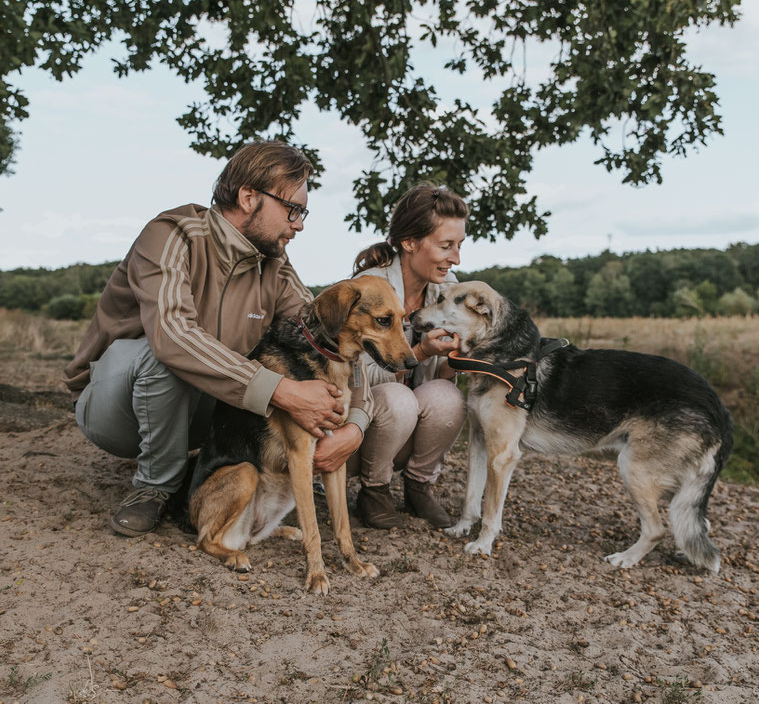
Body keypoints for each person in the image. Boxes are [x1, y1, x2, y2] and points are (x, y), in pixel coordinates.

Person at [62, 141, 368, 537]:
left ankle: (198, 473)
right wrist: (284, 392)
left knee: (298, 364)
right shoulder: (172, 235)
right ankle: (154, 487)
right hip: (114, 407)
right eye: (293, 209)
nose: (300, 224)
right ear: (248, 197)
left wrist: (355, 425)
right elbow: (173, 335)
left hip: (205, 409)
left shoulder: (275, 265)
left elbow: (332, 339)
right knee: (167, 355)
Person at [347, 183, 468, 529]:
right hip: (363, 423)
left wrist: (453, 358)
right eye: (446, 246)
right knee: (399, 399)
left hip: (409, 424)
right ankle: (374, 491)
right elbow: (354, 376)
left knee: (448, 397)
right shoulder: (369, 288)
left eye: (459, 246)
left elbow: (440, 378)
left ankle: (419, 486)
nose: (455, 258)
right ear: (410, 242)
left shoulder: (447, 289)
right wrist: (418, 351)